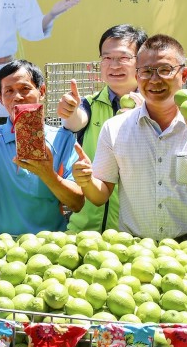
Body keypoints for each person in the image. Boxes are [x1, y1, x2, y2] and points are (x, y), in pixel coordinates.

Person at [72, 34, 187, 245]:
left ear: (184, 75)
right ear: (137, 76)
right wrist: (86, 180)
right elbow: (100, 196)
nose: (154, 80)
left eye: (164, 70)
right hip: (134, 248)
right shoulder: (115, 128)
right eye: (146, 71)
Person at [0, 59, 83, 234]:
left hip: (50, 248)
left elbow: (77, 203)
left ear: (41, 91)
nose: (17, 97)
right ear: (0, 98)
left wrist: (48, 175)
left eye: (25, 89)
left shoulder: (63, 138)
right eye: (8, 91)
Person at [59, 24, 148, 233]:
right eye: (107, 58)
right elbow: (75, 120)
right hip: (85, 229)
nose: (113, 65)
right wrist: (69, 110)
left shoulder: (155, 109)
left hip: (134, 232)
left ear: (141, 62)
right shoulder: (89, 104)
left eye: (123, 58)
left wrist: (144, 112)